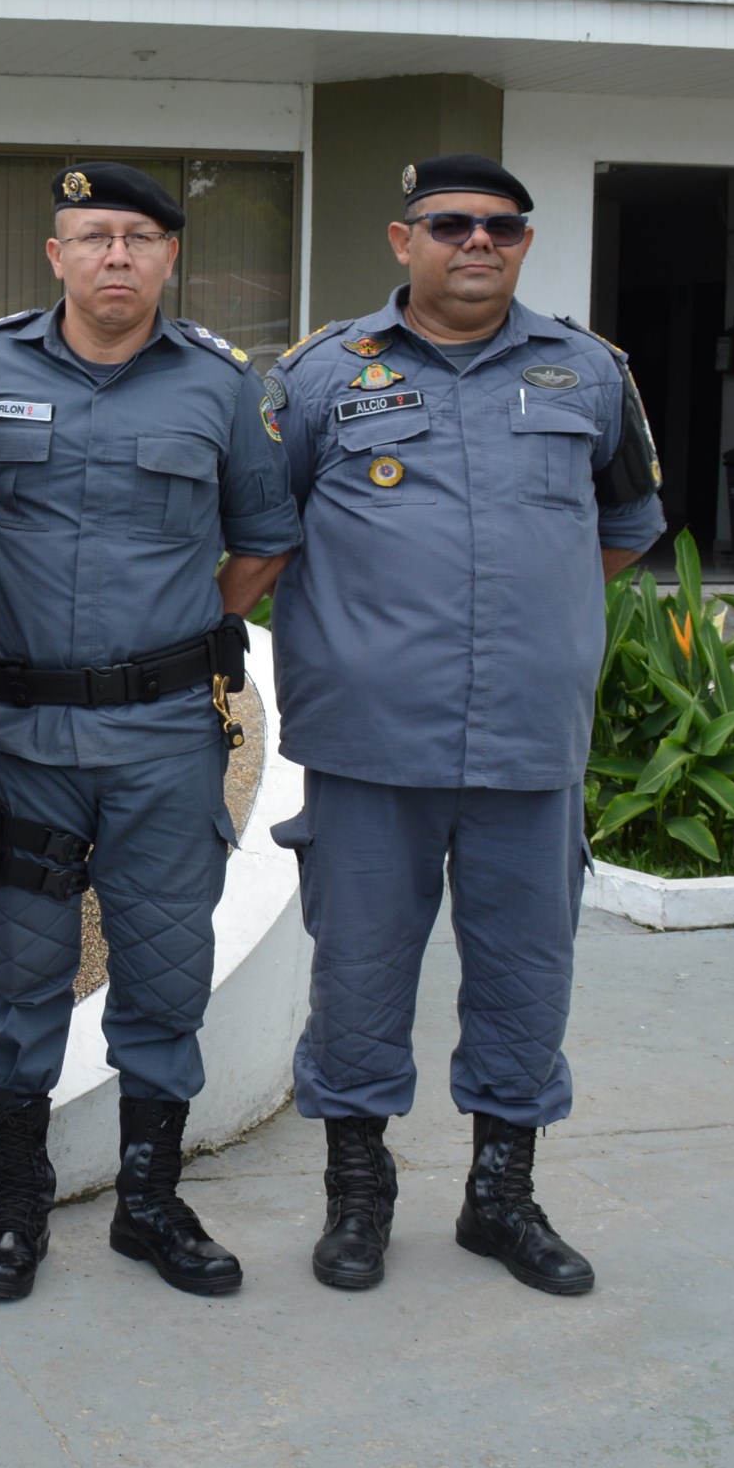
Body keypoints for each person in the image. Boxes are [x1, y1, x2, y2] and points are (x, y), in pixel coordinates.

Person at [266, 154, 662, 1299]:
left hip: (529, 743)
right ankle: (358, 1191)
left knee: (527, 978)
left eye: (501, 225)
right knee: (358, 978)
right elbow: (263, 531)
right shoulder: (321, 375)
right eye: (450, 224)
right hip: (369, 745)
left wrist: (536, 620)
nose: (477, 241)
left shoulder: (590, 373)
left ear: (524, 242)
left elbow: (624, 525)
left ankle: (501, 1196)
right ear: (405, 240)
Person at [0, 161, 298, 1305]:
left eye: (139, 237)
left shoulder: (221, 385)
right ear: (55, 254)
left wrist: (183, 634)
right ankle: (16, 1204)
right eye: (93, 235)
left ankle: (150, 1199)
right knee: (19, 970)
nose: (116, 255)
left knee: (165, 968)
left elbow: (264, 536)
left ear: (169, 257)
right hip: (21, 735)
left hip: (163, 737)